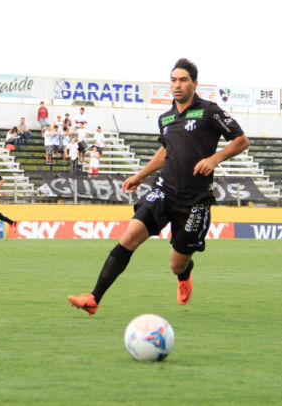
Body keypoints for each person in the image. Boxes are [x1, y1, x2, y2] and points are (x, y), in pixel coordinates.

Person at [68, 58, 249, 314]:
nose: (177, 85)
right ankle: (93, 298)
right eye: (174, 80)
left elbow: (241, 140)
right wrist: (141, 175)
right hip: (164, 191)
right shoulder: (165, 118)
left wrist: (214, 159)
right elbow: (166, 150)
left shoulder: (210, 111)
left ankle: (184, 275)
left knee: (176, 264)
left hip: (195, 200)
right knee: (129, 237)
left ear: (195, 83)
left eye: (183, 80)